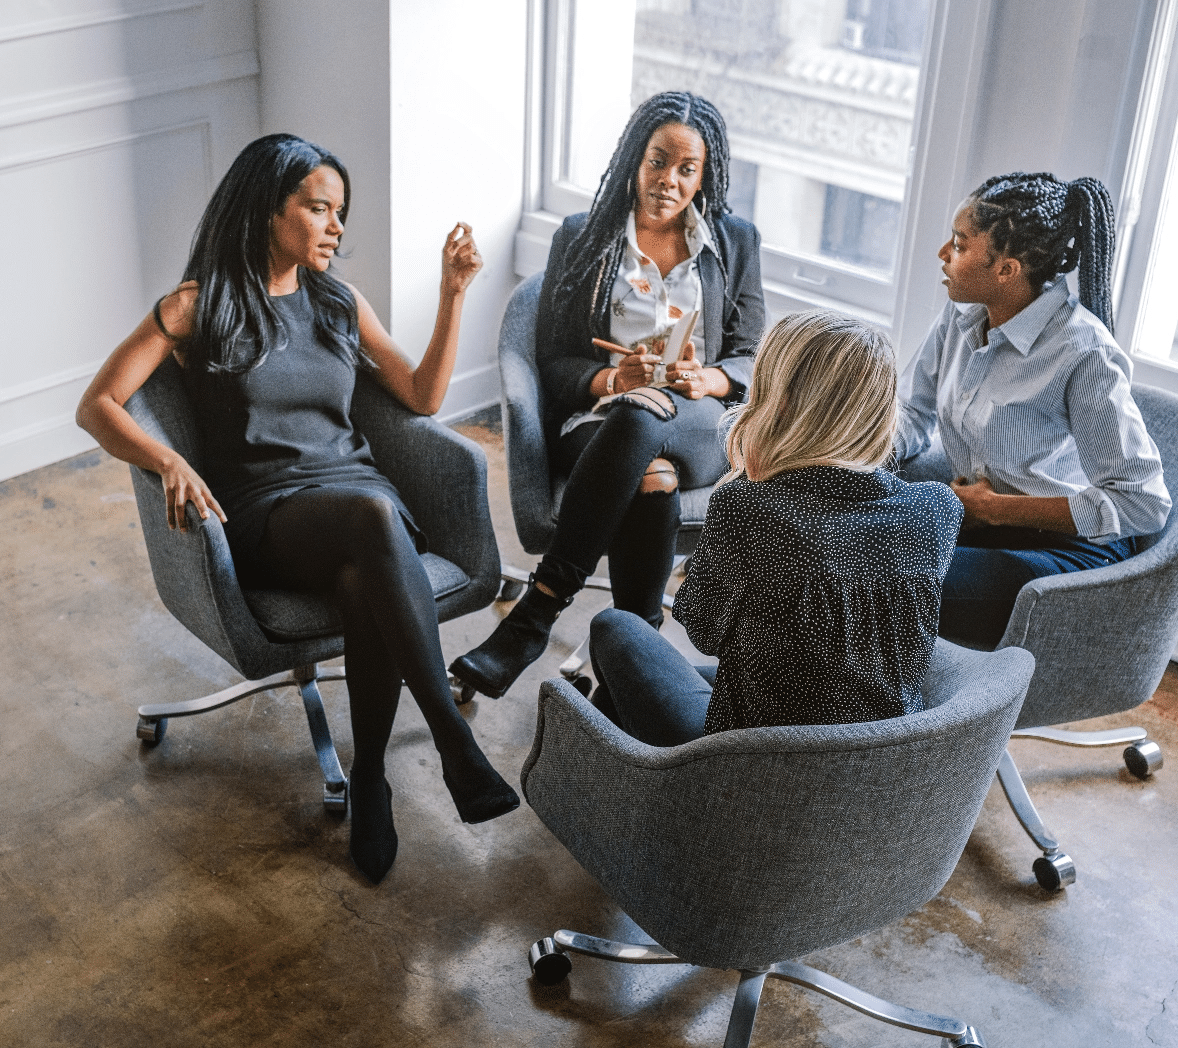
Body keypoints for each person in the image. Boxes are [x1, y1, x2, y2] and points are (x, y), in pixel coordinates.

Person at [75, 133, 519, 886]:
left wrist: (452, 295)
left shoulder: (340, 303)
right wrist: (170, 459)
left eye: (339, 212)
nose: (337, 227)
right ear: (265, 209)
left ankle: (371, 779)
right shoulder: (196, 308)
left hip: (357, 499)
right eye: (319, 208)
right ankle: (452, 737)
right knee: (372, 525)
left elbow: (422, 397)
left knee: (362, 576)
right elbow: (99, 405)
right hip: (266, 515)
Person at [449, 91, 765, 700]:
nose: (667, 180)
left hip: (701, 421)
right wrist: (610, 381)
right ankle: (632, 659)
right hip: (601, 422)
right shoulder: (583, 237)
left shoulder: (735, 242)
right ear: (633, 159)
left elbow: (752, 352)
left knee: (648, 417)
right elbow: (552, 360)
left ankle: (538, 611)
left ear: (705, 177)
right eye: (656, 161)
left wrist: (712, 380)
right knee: (651, 472)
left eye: (686, 169)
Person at [586, 309, 964, 747]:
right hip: (877, 761)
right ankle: (609, 738)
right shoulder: (936, 508)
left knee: (615, 628)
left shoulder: (746, 505)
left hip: (752, 762)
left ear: (778, 404)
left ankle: (613, 760)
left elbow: (703, 631)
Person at [898, 171, 1172, 648]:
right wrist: (852, 460)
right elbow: (912, 413)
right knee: (845, 544)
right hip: (980, 519)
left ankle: (900, 718)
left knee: (892, 582)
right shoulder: (961, 313)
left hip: (1066, 550)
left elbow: (1143, 504)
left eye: (960, 245)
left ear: (1007, 268)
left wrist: (997, 510)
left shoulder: (1083, 352)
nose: (943, 254)